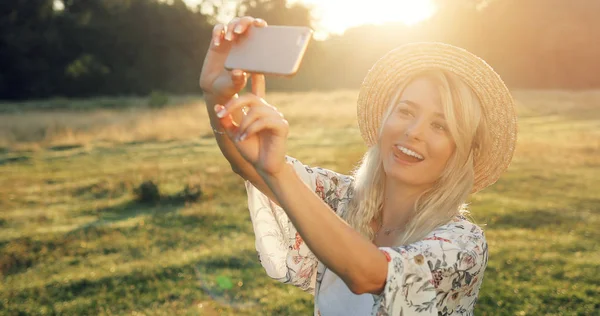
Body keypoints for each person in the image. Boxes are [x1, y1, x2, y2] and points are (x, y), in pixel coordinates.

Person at [199, 16, 517, 316]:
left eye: (440, 126)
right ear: (385, 118)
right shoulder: (342, 198)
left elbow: (369, 274)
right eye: (406, 111)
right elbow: (250, 165)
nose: (414, 131)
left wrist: (278, 172)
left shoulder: (463, 244)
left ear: (460, 151)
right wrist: (218, 93)